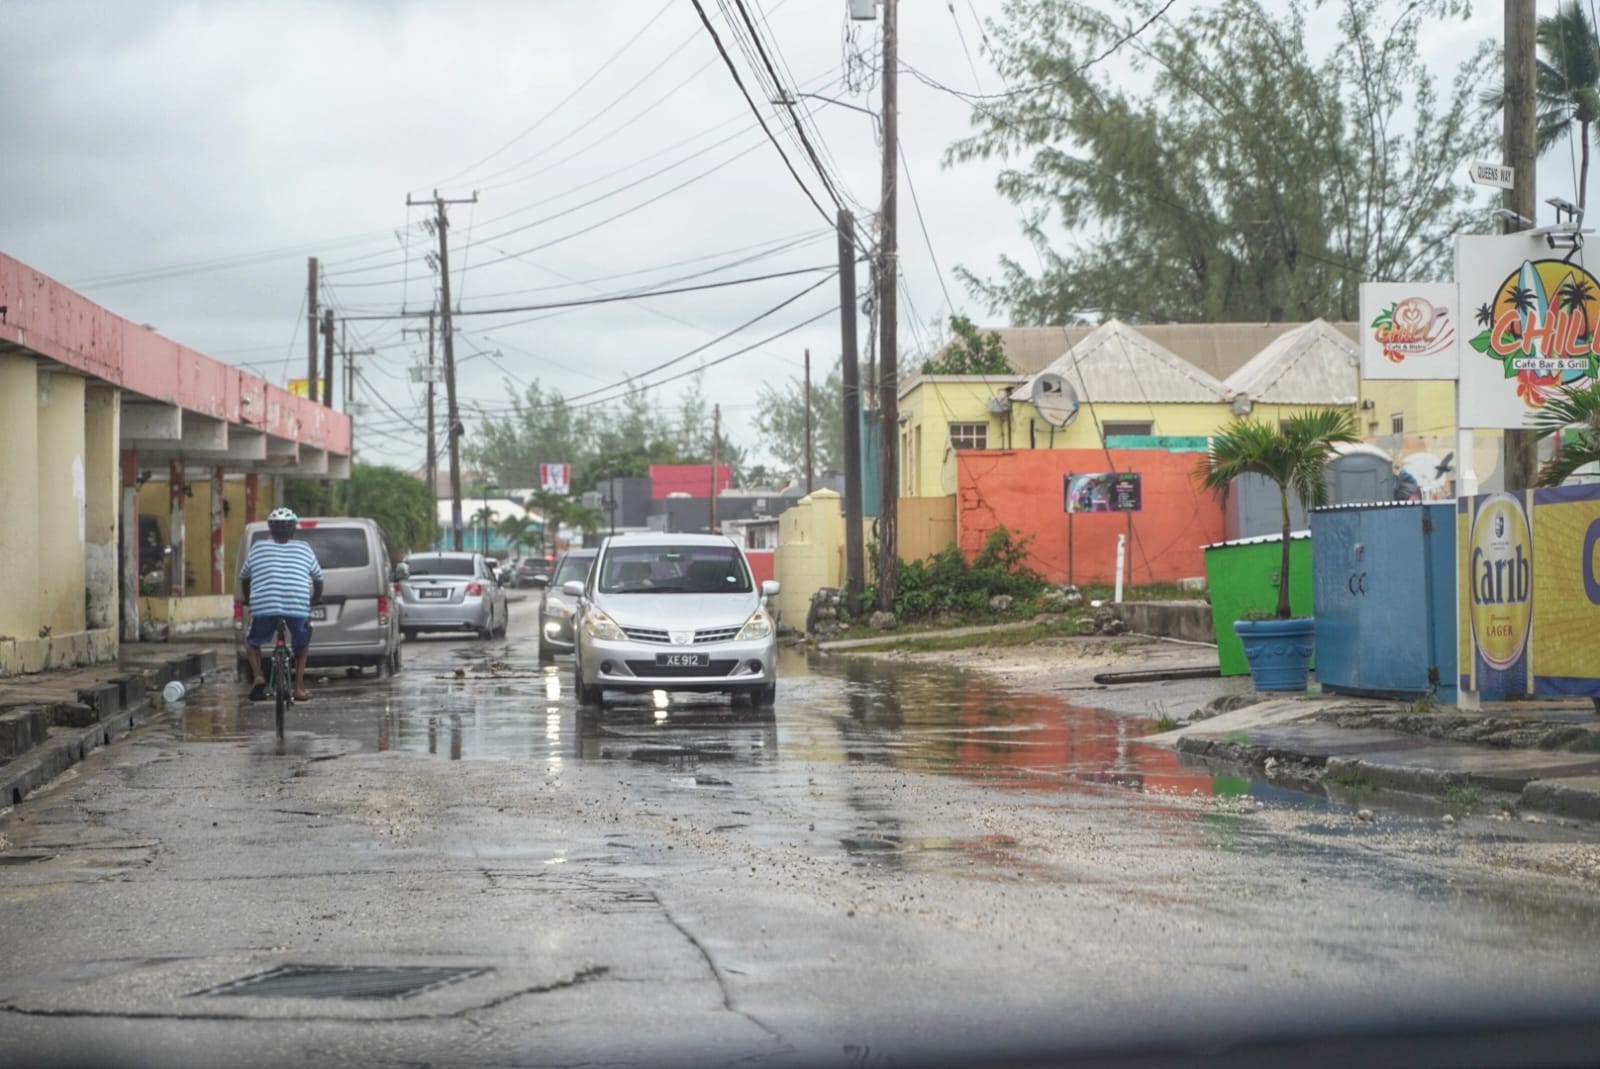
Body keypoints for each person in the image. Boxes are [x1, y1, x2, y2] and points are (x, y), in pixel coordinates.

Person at [239, 507, 324, 702]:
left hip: (263, 607)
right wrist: (315, 600)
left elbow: (244, 577)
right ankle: (299, 688)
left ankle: (259, 676)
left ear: (271, 529)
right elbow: (318, 579)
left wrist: (249, 599)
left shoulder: (258, 548)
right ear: (293, 530)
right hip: (298, 607)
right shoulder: (304, 548)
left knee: (252, 644)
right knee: (302, 646)